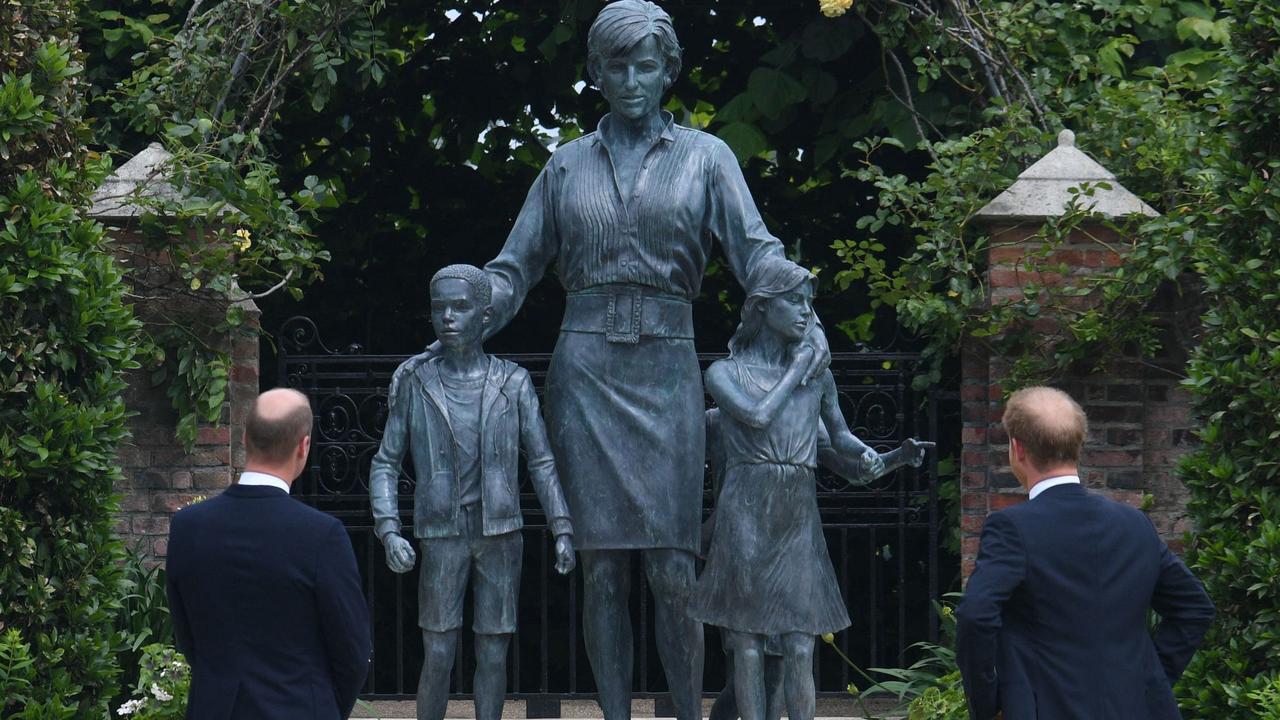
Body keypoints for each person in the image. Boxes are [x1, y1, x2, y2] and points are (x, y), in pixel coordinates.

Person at [391, 3, 828, 718]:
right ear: (595, 72)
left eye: (645, 65)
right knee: (600, 570)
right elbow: (515, 268)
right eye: (616, 66)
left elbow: (758, 253)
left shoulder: (707, 158)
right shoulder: (565, 166)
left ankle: (686, 711)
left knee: (673, 567)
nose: (631, 80)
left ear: (668, 71)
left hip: (668, 369)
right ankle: (619, 715)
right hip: (586, 373)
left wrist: (802, 309)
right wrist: (471, 312)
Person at [689, 262, 931, 720]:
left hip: (796, 514)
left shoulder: (818, 379)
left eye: (809, 304)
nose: (805, 313)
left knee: (801, 644)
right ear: (763, 307)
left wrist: (893, 457)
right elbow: (757, 417)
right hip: (745, 509)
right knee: (748, 643)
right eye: (794, 301)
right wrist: (799, 365)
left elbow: (842, 447)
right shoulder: (724, 373)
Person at [369, 264, 576, 720]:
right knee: (438, 652)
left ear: (485, 315)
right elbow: (385, 462)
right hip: (441, 533)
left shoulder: (514, 383)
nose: (448, 317)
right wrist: (389, 530)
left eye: (460, 307)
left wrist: (562, 527)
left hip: (501, 533)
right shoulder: (417, 384)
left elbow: (541, 460)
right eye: (439, 307)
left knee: (494, 653)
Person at [956, 386, 1215, 720]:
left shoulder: (1012, 528)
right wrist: (1149, 681)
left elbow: (976, 616)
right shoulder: (1135, 524)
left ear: (1017, 448)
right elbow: (1194, 608)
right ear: (1078, 445)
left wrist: (988, 704)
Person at [165, 388, 371, 720]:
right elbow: (353, 653)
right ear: (304, 446)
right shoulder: (321, 535)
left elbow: (187, 635)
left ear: (245, 438)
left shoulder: (188, 526)